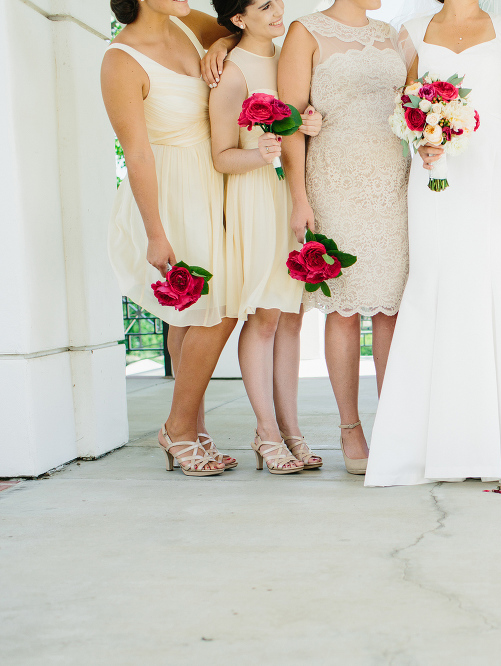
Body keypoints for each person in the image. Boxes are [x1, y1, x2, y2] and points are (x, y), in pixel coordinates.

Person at [364, 0, 501, 490]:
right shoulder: (413, 31)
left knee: (498, 281)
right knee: (434, 284)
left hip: (492, 173)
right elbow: (408, 105)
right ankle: (426, 450)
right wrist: (420, 139)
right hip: (435, 173)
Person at [104, 0, 242, 476]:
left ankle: (194, 432)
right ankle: (179, 428)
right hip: (169, 192)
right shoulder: (120, 60)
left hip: (213, 179)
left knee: (194, 318)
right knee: (216, 308)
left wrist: (220, 44)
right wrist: (155, 234)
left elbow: (240, 33)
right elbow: (137, 155)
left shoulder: (190, 26)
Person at [279, 0, 411, 475]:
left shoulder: (392, 34)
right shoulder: (304, 31)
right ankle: (350, 427)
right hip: (334, 178)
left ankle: (396, 425)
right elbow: (287, 120)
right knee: (346, 306)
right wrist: (299, 198)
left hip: (394, 181)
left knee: (392, 308)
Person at [209, 0, 325, 474]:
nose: (278, 11)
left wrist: (309, 125)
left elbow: (297, 125)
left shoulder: (288, 56)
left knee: (292, 316)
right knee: (264, 318)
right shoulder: (232, 73)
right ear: (239, 19)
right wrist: (257, 153)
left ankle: (291, 427)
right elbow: (221, 156)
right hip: (257, 202)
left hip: (293, 195)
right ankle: (266, 432)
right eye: (264, 6)